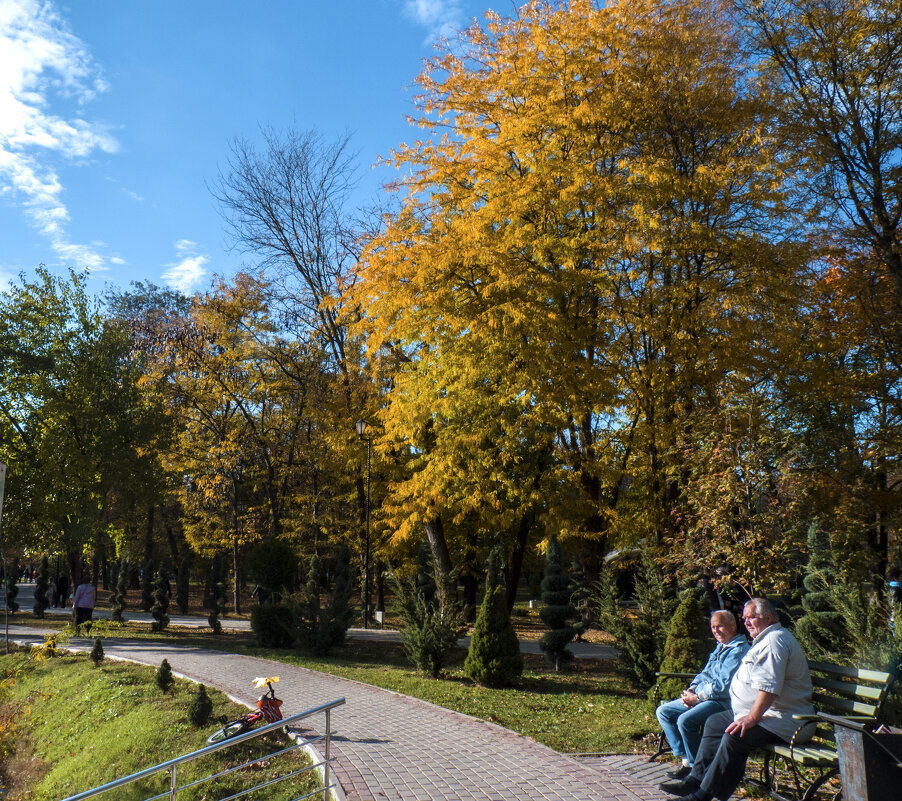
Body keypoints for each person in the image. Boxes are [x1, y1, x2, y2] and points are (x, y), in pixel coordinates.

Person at [660, 597, 814, 801]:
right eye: (745, 618)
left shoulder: (775, 641)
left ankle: (702, 796)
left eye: (751, 618)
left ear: (767, 618)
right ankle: (695, 780)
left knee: (735, 735)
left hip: (785, 720)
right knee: (715, 722)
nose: (746, 622)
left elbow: (769, 688)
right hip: (767, 714)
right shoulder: (766, 639)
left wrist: (751, 718)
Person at [656, 610, 749, 778]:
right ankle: (687, 760)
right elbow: (704, 674)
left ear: (732, 625)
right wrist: (691, 689)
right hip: (704, 697)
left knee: (685, 720)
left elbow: (722, 687)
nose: (715, 631)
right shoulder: (721, 647)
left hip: (723, 702)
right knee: (664, 711)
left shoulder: (738, 651)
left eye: (719, 626)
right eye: (713, 627)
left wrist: (696, 698)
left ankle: (697, 769)